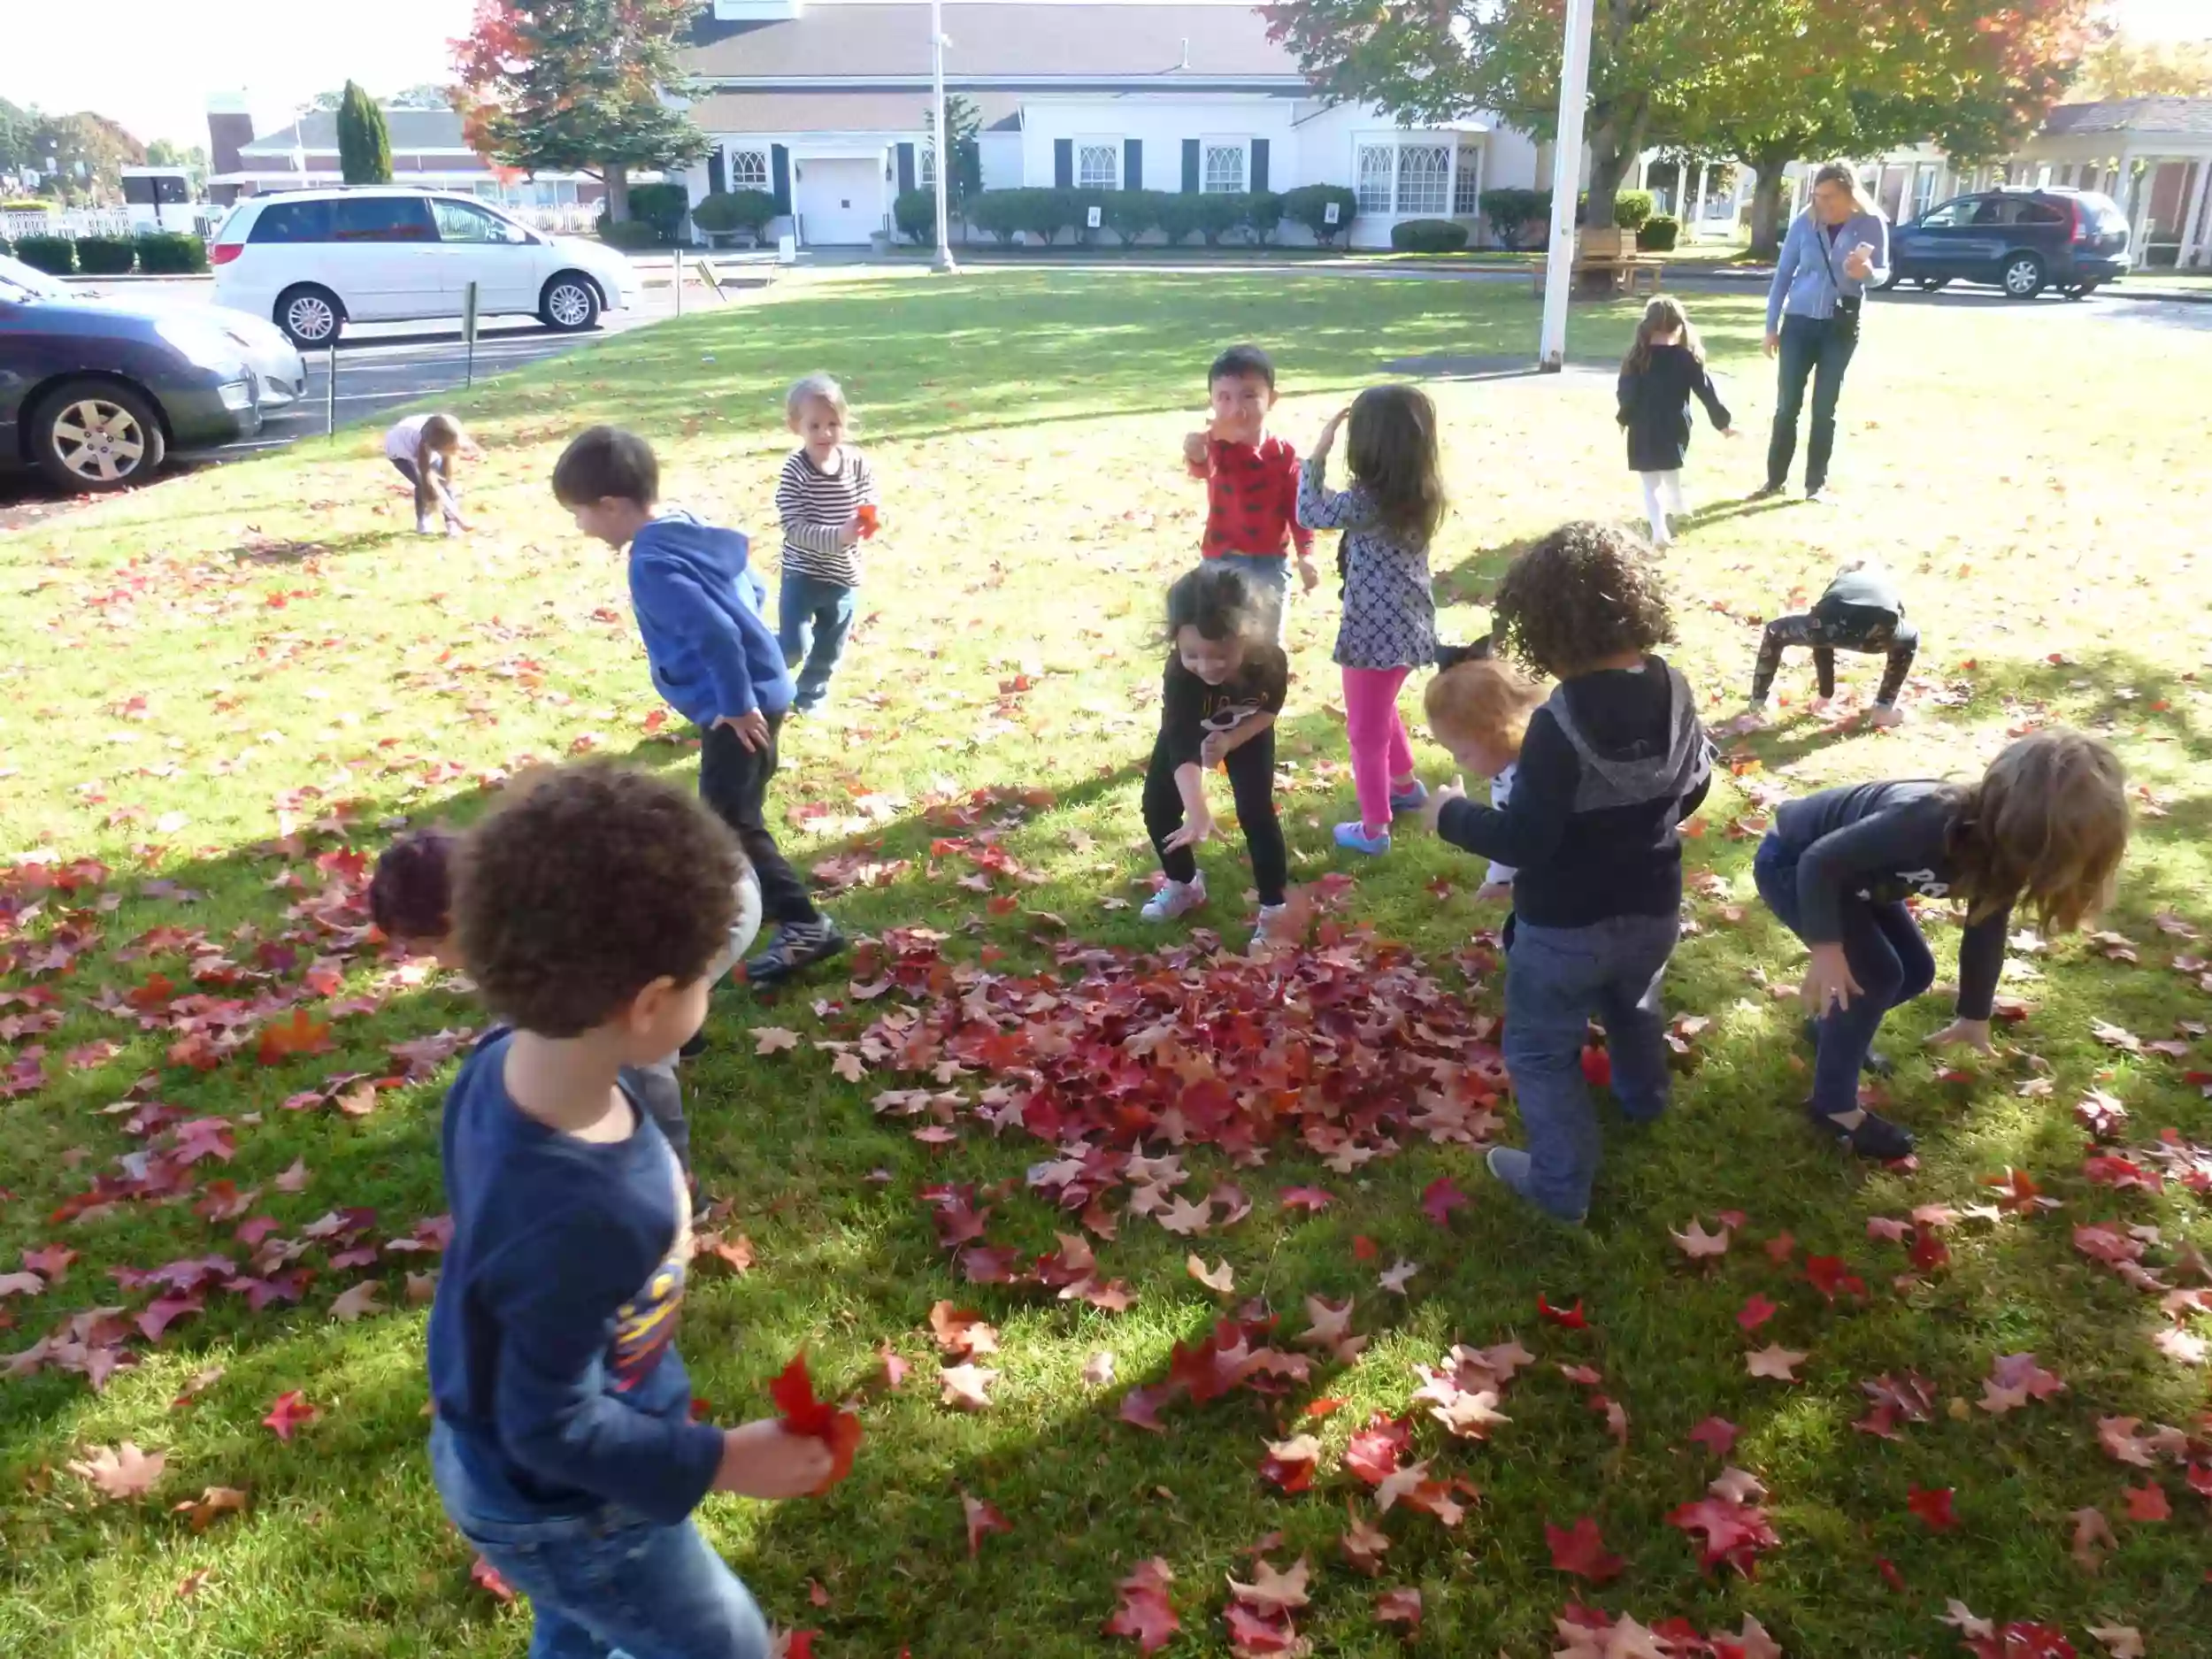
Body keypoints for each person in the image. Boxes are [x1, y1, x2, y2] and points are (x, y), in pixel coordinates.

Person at [426, 763, 833, 1659]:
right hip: (573, 1507)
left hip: (503, 1468)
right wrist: (722, 1460)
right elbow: (548, 1422)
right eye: (705, 979)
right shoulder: (588, 1212)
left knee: (578, 1626)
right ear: (651, 1004)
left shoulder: (495, 1070)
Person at [1418, 524, 1713, 1224]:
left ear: (1544, 624)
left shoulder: (1559, 720)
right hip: (1652, 906)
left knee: (1541, 1050)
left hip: (1563, 926)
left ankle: (1559, 1186)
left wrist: (1451, 817)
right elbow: (1694, 786)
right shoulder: (1673, 687)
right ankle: (1644, 1099)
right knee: (1633, 1005)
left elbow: (1527, 837)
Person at [551, 426, 845, 987]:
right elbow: (752, 590)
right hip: (764, 689)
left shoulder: (652, 564)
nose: (580, 525)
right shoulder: (687, 528)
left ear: (611, 507)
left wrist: (733, 704)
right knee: (736, 814)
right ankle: (773, 915)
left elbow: (714, 635)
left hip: (739, 706)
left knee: (727, 823)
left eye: (580, 513)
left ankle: (803, 924)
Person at [1754, 730, 2128, 1159]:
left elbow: (1985, 927)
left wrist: (1974, 1013)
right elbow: (1821, 862)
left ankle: (1830, 1031)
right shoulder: (1928, 820)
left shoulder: (2003, 853)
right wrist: (1826, 948)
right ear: (2005, 819)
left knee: (1915, 972)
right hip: (1796, 862)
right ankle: (1833, 1107)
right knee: (1878, 974)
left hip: (1858, 879)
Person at [367, 826, 764, 1175]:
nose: (440, 962)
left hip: (724, 899)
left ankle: (676, 1174)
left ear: (456, 918)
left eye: (434, 947)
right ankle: (680, 1033)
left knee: (636, 1045)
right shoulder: (503, 897)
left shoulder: (549, 927)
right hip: (701, 875)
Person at [1296, 386, 1446, 856]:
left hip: (1371, 633)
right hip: (1411, 624)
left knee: (1364, 731)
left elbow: (1309, 511)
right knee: (1381, 707)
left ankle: (1373, 829)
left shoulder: (1366, 502)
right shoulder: (1421, 492)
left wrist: (1317, 454)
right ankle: (1404, 787)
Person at [1141, 563, 1291, 949]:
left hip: (1246, 731)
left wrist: (1229, 742)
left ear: (1246, 636)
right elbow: (1181, 746)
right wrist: (1197, 809)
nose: (1205, 667)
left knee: (1257, 814)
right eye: (1192, 654)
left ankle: (1274, 908)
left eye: (1220, 657)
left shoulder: (1268, 660)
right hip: (1190, 731)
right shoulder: (1181, 677)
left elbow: (1268, 712)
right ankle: (1185, 884)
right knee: (1158, 807)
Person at [1759, 162, 1890, 503]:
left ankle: (1815, 485)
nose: (1823, 204)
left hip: (1839, 326)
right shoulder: (1805, 222)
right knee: (1787, 405)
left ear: (1849, 193)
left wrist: (1867, 271)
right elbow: (1783, 274)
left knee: (1824, 406)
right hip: (1799, 323)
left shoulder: (1871, 223)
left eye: (1830, 197)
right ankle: (1774, 481)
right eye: (1818, 197)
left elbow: (1883, 274)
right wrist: (1771, 326)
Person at [1181, 344, 1319, 641]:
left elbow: (1298, 509)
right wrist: (1195, 454)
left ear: (1272, 399)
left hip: (1269, 564)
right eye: (1224, 397)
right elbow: (1204, 467)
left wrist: (1306, 554)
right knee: (1219, 639)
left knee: (1266, 646)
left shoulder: (1283, 455)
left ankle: (1265, 688)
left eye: (1249, 395)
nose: (1236, 409)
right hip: (1221, 562)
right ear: (1212, 403)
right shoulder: (1216, 446)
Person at [774, 373, 877, 714]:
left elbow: (867, 498)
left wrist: (872, 519)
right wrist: (837, 536)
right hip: (803, 574)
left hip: (844, 574)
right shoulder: (796, 471)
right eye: (814, 425)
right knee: (793, 647)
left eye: (833, 424)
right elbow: (793, 527)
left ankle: (810, 697)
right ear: (796, 426)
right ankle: (757, 670)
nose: (825, 433)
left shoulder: (856, 463)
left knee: (829, 646)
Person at [1616, 296, 1736, 548]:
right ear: (1678, 326)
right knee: (1670, 470)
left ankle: (1659, 532)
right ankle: (1679, 504)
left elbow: (1627, 392)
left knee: (1650, 485)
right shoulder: (1686, 358)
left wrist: (1624, 418)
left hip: (1642, 426)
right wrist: (1722, 422)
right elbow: (1706, 392)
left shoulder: (1637, 358)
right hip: (1674, 426)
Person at [1423, 657, 1546, 902]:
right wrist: (1499, 880)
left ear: (1499, 734)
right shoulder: (1516, 763)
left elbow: (1514, 838)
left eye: (1464, 753)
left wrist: (1452, 811)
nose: (1458, 761)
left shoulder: (1528, 777)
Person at [1746, 558, 1919, 728]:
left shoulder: (1843, 580)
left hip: (1830, 623)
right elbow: (1900, 618)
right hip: (1879, 631)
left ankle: (1759, 702)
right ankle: (1883, 706)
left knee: (1775, 630)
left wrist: (1825, 694)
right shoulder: (1885, 584)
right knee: (1910, 637)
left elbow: (1821, 640)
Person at [384, 411, 476, 536]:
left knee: (447, 482)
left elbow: (447, 476)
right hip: (400, 453)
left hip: (430, 440)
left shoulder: (448, 428)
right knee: (423, 484)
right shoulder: (418, 446)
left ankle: (451, 525)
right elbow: (430, 481)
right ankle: (424, 522)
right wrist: (460, 519)